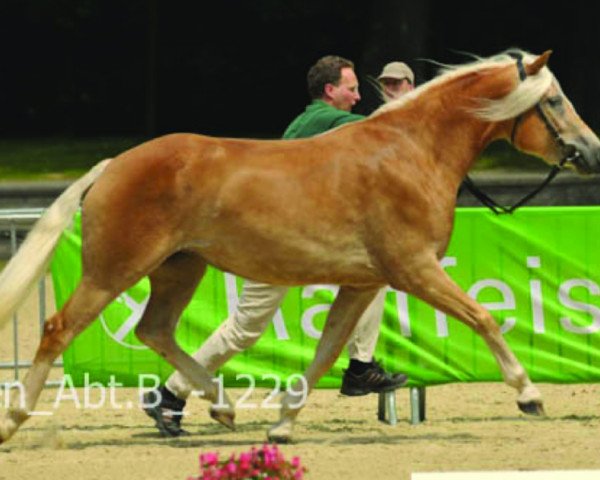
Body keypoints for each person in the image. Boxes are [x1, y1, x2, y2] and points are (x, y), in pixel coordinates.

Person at [143, 55, 410, 437]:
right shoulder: (323, 119)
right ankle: (169, 394)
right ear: (330, 91)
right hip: (283, 242)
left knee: (369, 277)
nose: (356, 97)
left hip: (298, 238)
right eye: (351, 89)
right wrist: (402, 100)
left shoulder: (319, 120)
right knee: (245, 329)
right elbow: (387, 132)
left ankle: (359, 366)